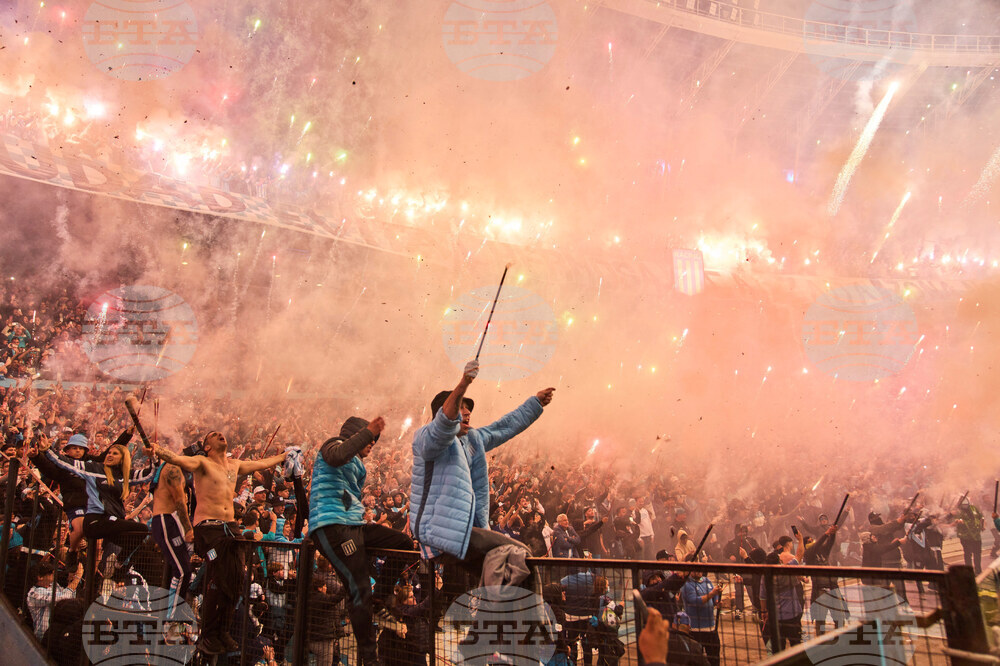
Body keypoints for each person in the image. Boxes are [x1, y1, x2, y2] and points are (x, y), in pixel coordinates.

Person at [409, 359, 554, 602]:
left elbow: (504, 427)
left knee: (505, 576)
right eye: (460, 407)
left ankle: (487, 632)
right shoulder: (427, 439)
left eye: (468, 409)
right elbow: (443, 426)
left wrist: (535, 403)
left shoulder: (472, 439)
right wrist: (463, 383)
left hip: (465, 531)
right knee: (517, 554)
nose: (466, 413)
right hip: (439, 532)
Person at [151, 430, 294, 656]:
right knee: (219, 576)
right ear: (206, 446)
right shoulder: (202, 463)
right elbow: (178, 459)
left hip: (230, 529)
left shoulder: (233, 465)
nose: (220, 435)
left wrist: (282, 456)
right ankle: (208, 633)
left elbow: (259, 463)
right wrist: (158, 451)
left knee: (239, 577)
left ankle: (223, 630)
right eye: (214, 435)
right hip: (209, 530)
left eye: (221, 433)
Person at [308, 415, 414, 666]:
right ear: (356, 434)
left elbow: (347, 495)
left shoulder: (359, 465)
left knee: (404, 544)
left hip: (354, 525)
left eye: (374, 441)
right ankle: (369, 658)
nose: (372, 444)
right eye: (370, 439)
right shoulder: (332, 445)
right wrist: (368, 432)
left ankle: (381, 598)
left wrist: (359, 514)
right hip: (332, 526)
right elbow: (337, 456)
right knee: (359, 589)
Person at [34, 434, 156, 575]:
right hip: (96, 520)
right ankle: (73, 554)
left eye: (114, 453)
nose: (109, 455)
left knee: (141, 531)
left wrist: (152, 456)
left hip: (111, 521)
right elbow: (64, 462)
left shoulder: (125, 475)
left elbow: (150, 474)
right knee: (81, 530)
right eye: (109, 452)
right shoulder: (93, 468)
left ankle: (117, 566)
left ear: (123, 458)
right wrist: (47, 449)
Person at [148, 457, 194, 621]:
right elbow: (179, 500)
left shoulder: (178, 470)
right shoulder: (174, 468)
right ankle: (172, 618)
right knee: (182, 571)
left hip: (171, 521)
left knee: (183, 570)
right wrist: (188, 529)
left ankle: (172, 614)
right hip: (166, 520)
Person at [26, 560, 82, 638]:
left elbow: (69, 600)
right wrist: (77, 579)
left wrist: (70, 581)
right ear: (40, 577)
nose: (53, 574)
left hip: (57, 633)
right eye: (50, 573)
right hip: (43, 636)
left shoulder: (54, 585)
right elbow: (63, 597)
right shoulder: (34, 593)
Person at [680, 571, 721, 665]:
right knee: (697, 660)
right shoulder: (687, 584)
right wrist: (712, 594)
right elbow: (695, 601)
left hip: (711, 628)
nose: (699, 571)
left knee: (714, 658)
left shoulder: (707, 581)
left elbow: (715, 598)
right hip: (696, 630)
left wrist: (717, 601)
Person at [956, 499, 985, 574]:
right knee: (968, 553)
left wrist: (982, 525)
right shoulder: (958, 511)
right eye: (963, 505)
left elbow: (981, 517)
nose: (965, 506)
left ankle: (978, 569)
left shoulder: (973, 508)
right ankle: (969, 571)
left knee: (977, 553)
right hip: (966, 536)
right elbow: (956, 520)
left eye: (966, 504)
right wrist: (959, 521)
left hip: (976, 535)